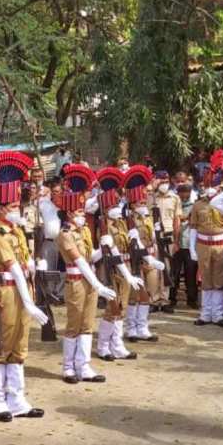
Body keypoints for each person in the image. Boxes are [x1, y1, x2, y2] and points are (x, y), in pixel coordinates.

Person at [0, 151, 49, 420]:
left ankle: (17, 399)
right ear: (1, 210)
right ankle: (0, 401)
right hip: (7, 292)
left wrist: (33, 265)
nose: (17, 209)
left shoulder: (17, 230)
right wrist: (30, 301)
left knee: (20, 346)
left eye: (16, 204)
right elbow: (13, 270)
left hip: (22, 290)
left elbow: (24, 262)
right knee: (2, 347)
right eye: (11, 206)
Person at [55, 164, 117, 383]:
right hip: (77, 281)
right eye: (80, 212)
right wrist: (98, 284)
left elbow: (90, 258)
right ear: (70, 213)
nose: (83, 215)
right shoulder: (64, 233)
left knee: (88, 324)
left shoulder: (84, 230)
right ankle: (69, 367)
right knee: (73, 325)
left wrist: (104, 247)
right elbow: (79, 261)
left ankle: (84, 366)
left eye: (83, 211)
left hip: (89, 279)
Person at [95, 167, 143, 361]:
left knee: (121, 308)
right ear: (106, 209)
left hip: (125, 267)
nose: (117, 207)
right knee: (112, 308)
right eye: (113, 204)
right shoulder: (103, 226)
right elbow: (109, 251)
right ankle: (103, 346)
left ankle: (117, 345)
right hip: (111, 269)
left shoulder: (121, 223)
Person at [123, 166, 167, 342]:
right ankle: (131, 328)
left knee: (149, 292)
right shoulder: (127, 220)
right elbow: (132, 242)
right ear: (132, 205)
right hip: (136, 258)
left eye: (144, 202)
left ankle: (143, 327)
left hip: (151, 255)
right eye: (140, 203)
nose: (143, 205)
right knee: (135, 295)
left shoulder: (148, 216)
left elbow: (153, 238)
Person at [189, 180, 223, 327]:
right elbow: (193, 227)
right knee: (205, 278)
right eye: (209, 186)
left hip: (220, 245)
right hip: (203, 244)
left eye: (215, 186)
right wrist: (192, 248)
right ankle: (206, 314)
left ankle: (218, 314)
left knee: (219, 279)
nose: (211, 189)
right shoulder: (198, 205)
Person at [150, 170, 181, 313]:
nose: (164, 184)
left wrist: (176, 241)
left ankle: (165, 299)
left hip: (168, 236)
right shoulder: (150, 197)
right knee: (154, 268)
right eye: (161, 181)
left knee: (167, 268)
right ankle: (154, 300)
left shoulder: (174, 198)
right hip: (153, 237)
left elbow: (177, 220)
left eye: (166, 181)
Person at [170, 184, 199, 310]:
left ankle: (192, 299)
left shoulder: (194, 206)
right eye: (182, 192)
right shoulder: (174, 205)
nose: (184, 195)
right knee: (174, 273)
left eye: (187, 192)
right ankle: (172, 298)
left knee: (191, 274)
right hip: (175, 244)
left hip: (189, 244)